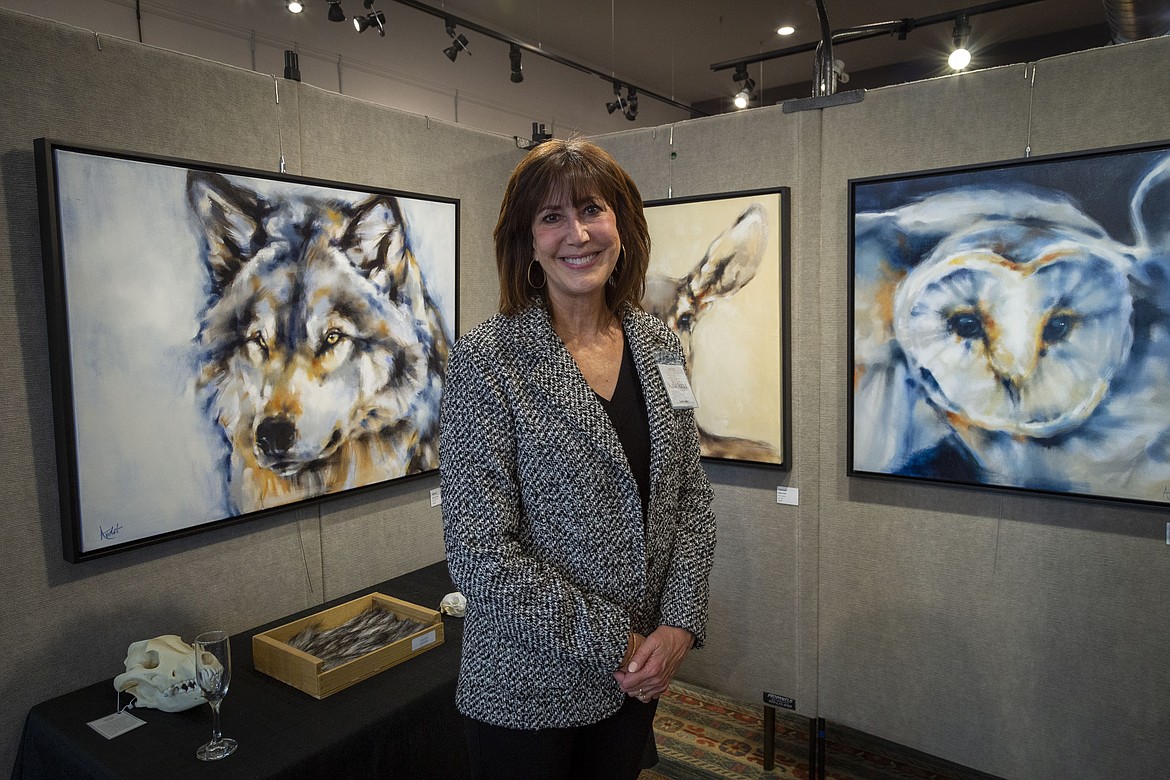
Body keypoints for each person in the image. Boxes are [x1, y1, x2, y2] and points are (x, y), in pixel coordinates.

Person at [440, 137, 716, 779]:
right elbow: (479, 553)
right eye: (552, 217)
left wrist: (679, 625)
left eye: (592, 210)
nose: (578, 234)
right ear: (527, 243)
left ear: (621, 224)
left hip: (636, 681)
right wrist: (615, 646)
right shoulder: (489, 358)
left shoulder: (656, 343)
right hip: (526, 690)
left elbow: (691, 498)